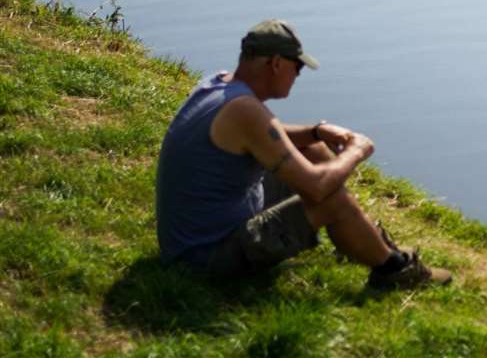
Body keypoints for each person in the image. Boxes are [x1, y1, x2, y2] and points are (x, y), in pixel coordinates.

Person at [154, 19, 451, 289]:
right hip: (205, 257)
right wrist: (357, 151)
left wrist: (316, 131)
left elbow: (266, 136)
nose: (298, 75)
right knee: (329, 198)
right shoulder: (246, 110)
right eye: (297, 67)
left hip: (191, 236)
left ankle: (362, 242)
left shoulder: (219, 84)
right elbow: (316, 187)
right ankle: (395, 270)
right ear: (275, 64)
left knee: (311, 149)